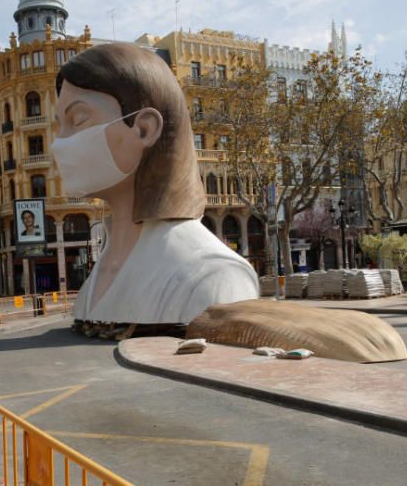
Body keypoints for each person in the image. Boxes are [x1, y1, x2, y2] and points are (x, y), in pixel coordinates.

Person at [54, 43, 259, 325]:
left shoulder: (211, 277)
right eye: (58, 126)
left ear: (144, 129)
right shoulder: (96, 279)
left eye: (77, 119)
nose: (58, 143)